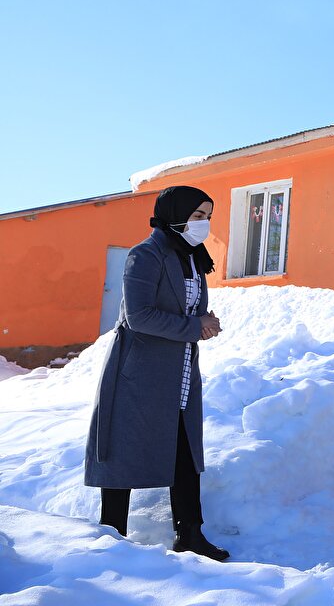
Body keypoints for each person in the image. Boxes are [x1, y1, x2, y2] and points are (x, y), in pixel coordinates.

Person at [83, 186, 229, 561]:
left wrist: (203, 325)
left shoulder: (193, 258)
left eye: (208, 216)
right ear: (175, 214)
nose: (204, 223)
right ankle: (112, 534)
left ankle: (190, 533)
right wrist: (195, 326)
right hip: (139, 371)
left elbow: (186, 310)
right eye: (197, 215)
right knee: (124, 450)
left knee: (185, 450)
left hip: (179, 370)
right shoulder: (145, 255)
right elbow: (139, 316)